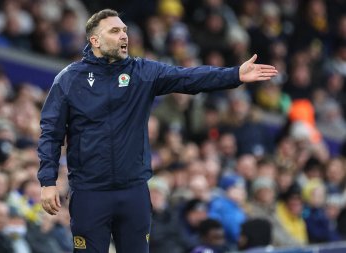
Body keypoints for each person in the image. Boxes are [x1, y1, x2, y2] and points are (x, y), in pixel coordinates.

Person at [37, 9, 277, 253]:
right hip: (90, 192)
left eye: (124, 31)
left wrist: (234, 74)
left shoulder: (141, 72)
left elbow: (188, 78)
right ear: (95, 40)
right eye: (115, 31)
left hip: (133, 191)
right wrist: (47, 181)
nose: (124, 36)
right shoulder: (69, 79)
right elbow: (51, 132)